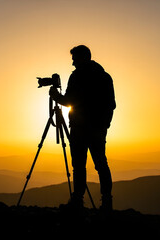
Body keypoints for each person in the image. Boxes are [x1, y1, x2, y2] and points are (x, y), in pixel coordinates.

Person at [49, 45, 116, 211]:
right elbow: (112, 104)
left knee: (79, 165)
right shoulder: (105, 76)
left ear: (83, 57)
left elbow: (70, 101)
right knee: (101, 164)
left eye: (75, 59)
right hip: (98, 129)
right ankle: (107, 202)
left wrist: (55, 96)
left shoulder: (77, 77)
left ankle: (78, 201)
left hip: (80, 128)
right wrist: (104, 124)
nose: (73, 63)